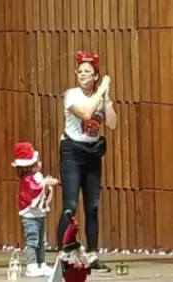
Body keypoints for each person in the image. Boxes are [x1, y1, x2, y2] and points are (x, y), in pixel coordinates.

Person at [58, 52, 117, 273]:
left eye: (88, 72)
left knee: (92, 206)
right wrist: (100, 90)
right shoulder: (72, 94)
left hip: (92, 152)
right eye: (80, 71)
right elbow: (85, 113)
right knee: (70, 205)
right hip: (72, 151)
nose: (83, 75)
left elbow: (111, 124)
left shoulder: (100, 97)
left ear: (95, 75)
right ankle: (65, 255)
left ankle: (92, 255)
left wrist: (107, 98)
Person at [11, 142, 58, 277]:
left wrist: (46, 185)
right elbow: (34, 190)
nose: (40, 163)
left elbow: (41, 189)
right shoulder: (26, 180)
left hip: (39, 215)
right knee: (33, 241)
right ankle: (32, 265)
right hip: (30, 217)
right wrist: (45, 184)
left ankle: (41, 263)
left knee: (41, 242)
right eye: (36, 162)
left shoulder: (37, 177)